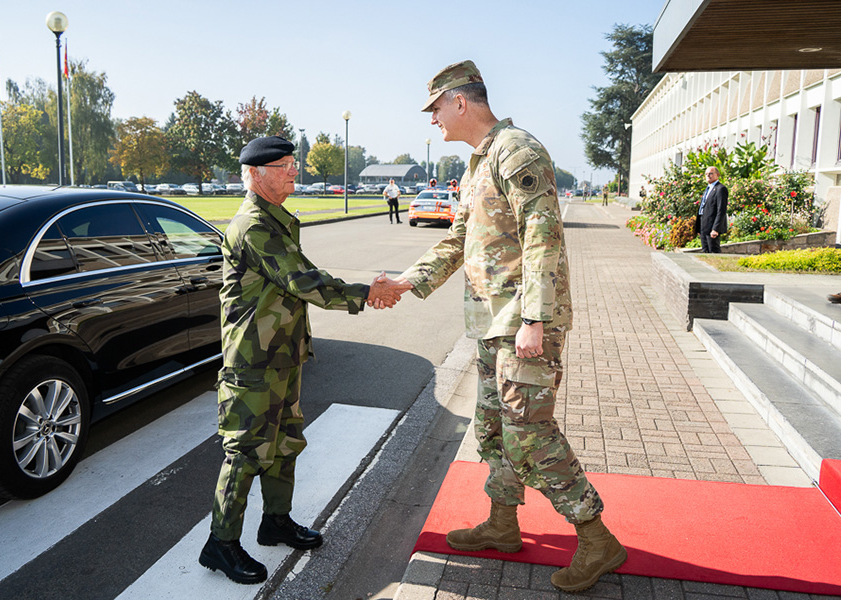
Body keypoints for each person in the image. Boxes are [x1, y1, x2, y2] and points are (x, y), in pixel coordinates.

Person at [390, 60, 627, 594]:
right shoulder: (479, 164)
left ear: (459, 101)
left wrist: (536, 319)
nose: (433, 121)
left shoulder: (516, 150)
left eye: (435, 109)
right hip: (492, 324)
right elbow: (458, 241)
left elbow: (543, 236)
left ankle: (596, 538)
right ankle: (502, 524)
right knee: (493, 429)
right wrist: (408, 282)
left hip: (523, 322)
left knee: (529, 436)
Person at [199, 136, 402, 585]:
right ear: (255, 174)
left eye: (294, 163)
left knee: (285, 443)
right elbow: (301, 280)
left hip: (282, 356)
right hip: (252, 361)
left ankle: (275, 521)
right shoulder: (253, 225)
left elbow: (297, 281)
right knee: (246, 452)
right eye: (285, 166)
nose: (295, 171)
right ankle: (221, 543)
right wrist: (367, 293)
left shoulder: (277, 219)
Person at [694, 166, 729, 253]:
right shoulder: (708, 189)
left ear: (717, 175)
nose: (708, 176)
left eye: (711, 173)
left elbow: (721, 210)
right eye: (706, 174)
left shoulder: (720, 189)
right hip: (703, 224)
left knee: (714, 251)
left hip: (712, 225)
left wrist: (715, 229)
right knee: (705, 251)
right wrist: (699, 227)